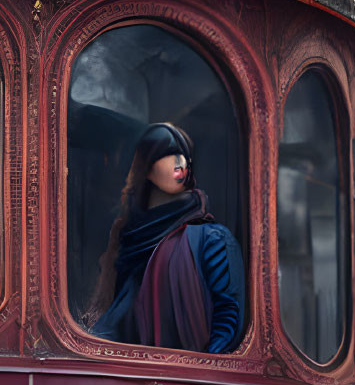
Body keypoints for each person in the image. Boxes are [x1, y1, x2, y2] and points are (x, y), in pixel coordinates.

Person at [86, 122, 244, 352]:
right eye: (169, 154)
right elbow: (118, 319)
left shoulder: (212, 239)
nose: (181, 163)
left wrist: (205, 366)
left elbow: (228, 316)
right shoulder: (131, 240)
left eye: (184, 155)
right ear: (146, 168)